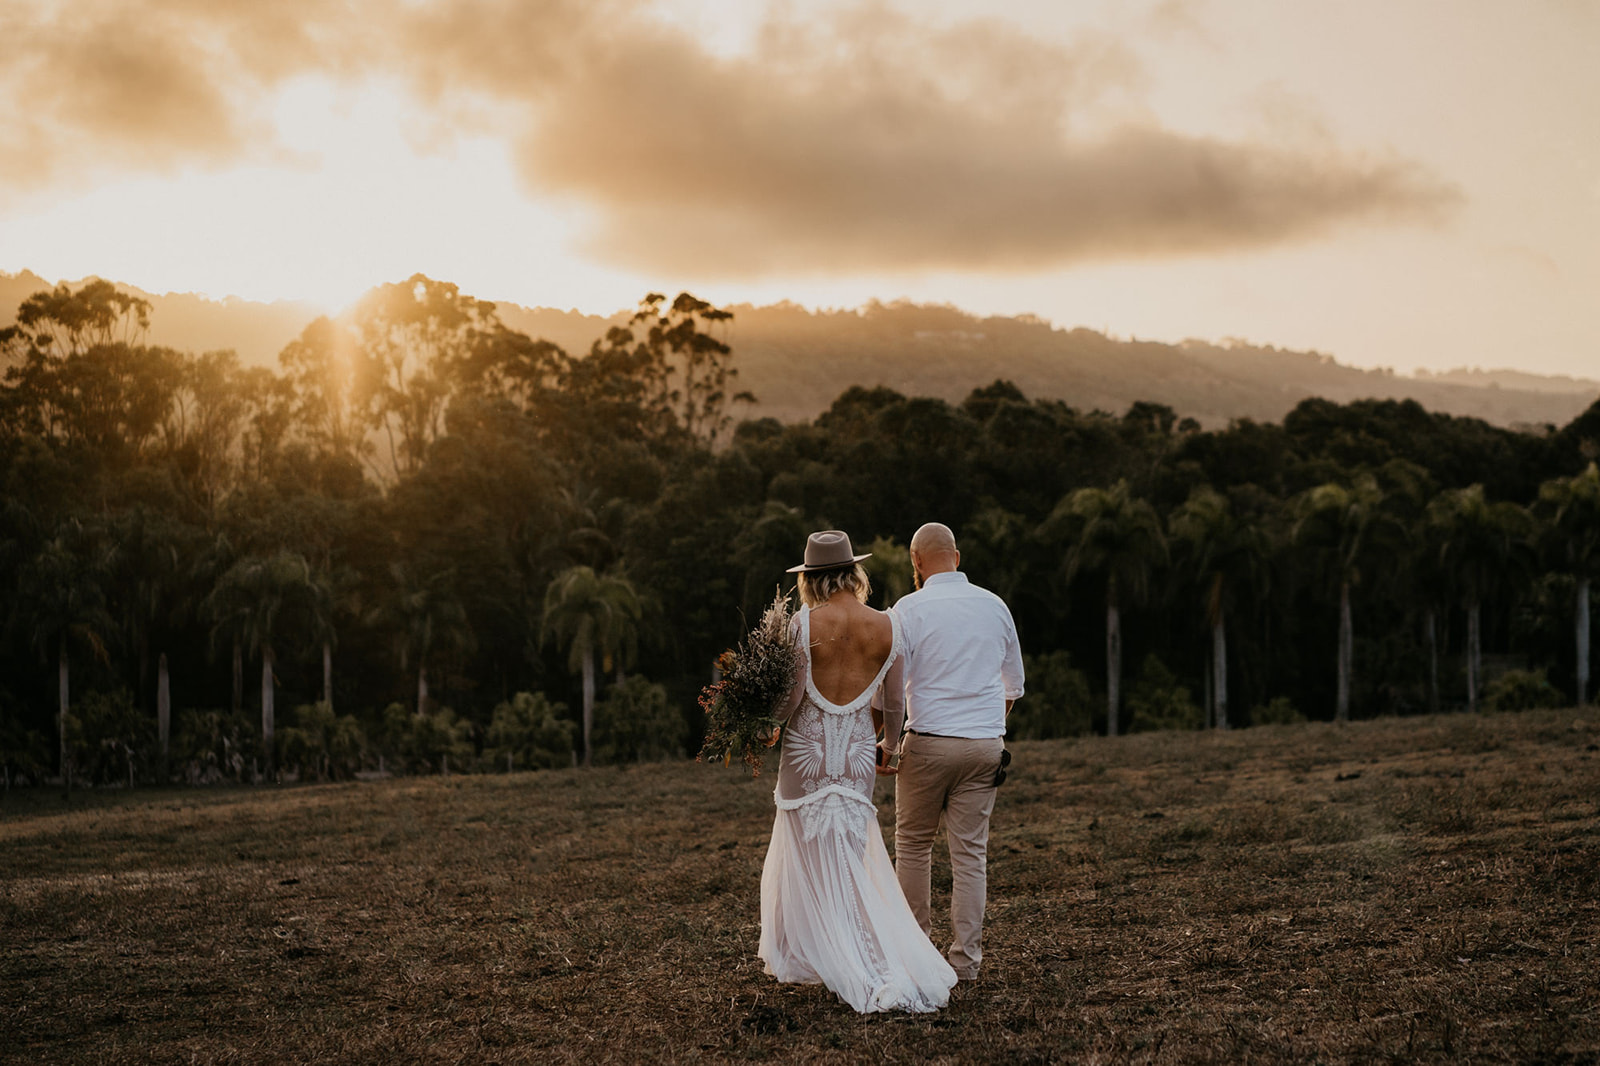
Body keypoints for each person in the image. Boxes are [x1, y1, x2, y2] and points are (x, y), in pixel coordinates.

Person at [758, 530, 958, 1013]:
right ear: (852, 572)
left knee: (806, 856)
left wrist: (767, 726)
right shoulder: (888, 624)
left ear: (811, 579)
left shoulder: (801, 625)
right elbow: (893, 704)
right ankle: (867, 955)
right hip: (854, 760)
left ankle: (826, 956)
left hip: (805, 758)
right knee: (850, 855)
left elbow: (791, 698)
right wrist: (889, 746)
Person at [886, 521, 1024, 981]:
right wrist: (986, 729)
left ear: (916, 563)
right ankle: (965, 964)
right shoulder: (995, 605)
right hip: (985, 746)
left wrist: (887, 738)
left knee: (913, 848)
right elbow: (1013, 687)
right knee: (970, 856)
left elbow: (891, 686)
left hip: (927, 743)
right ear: (957, 557)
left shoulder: (907, 608)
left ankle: (917, 960)